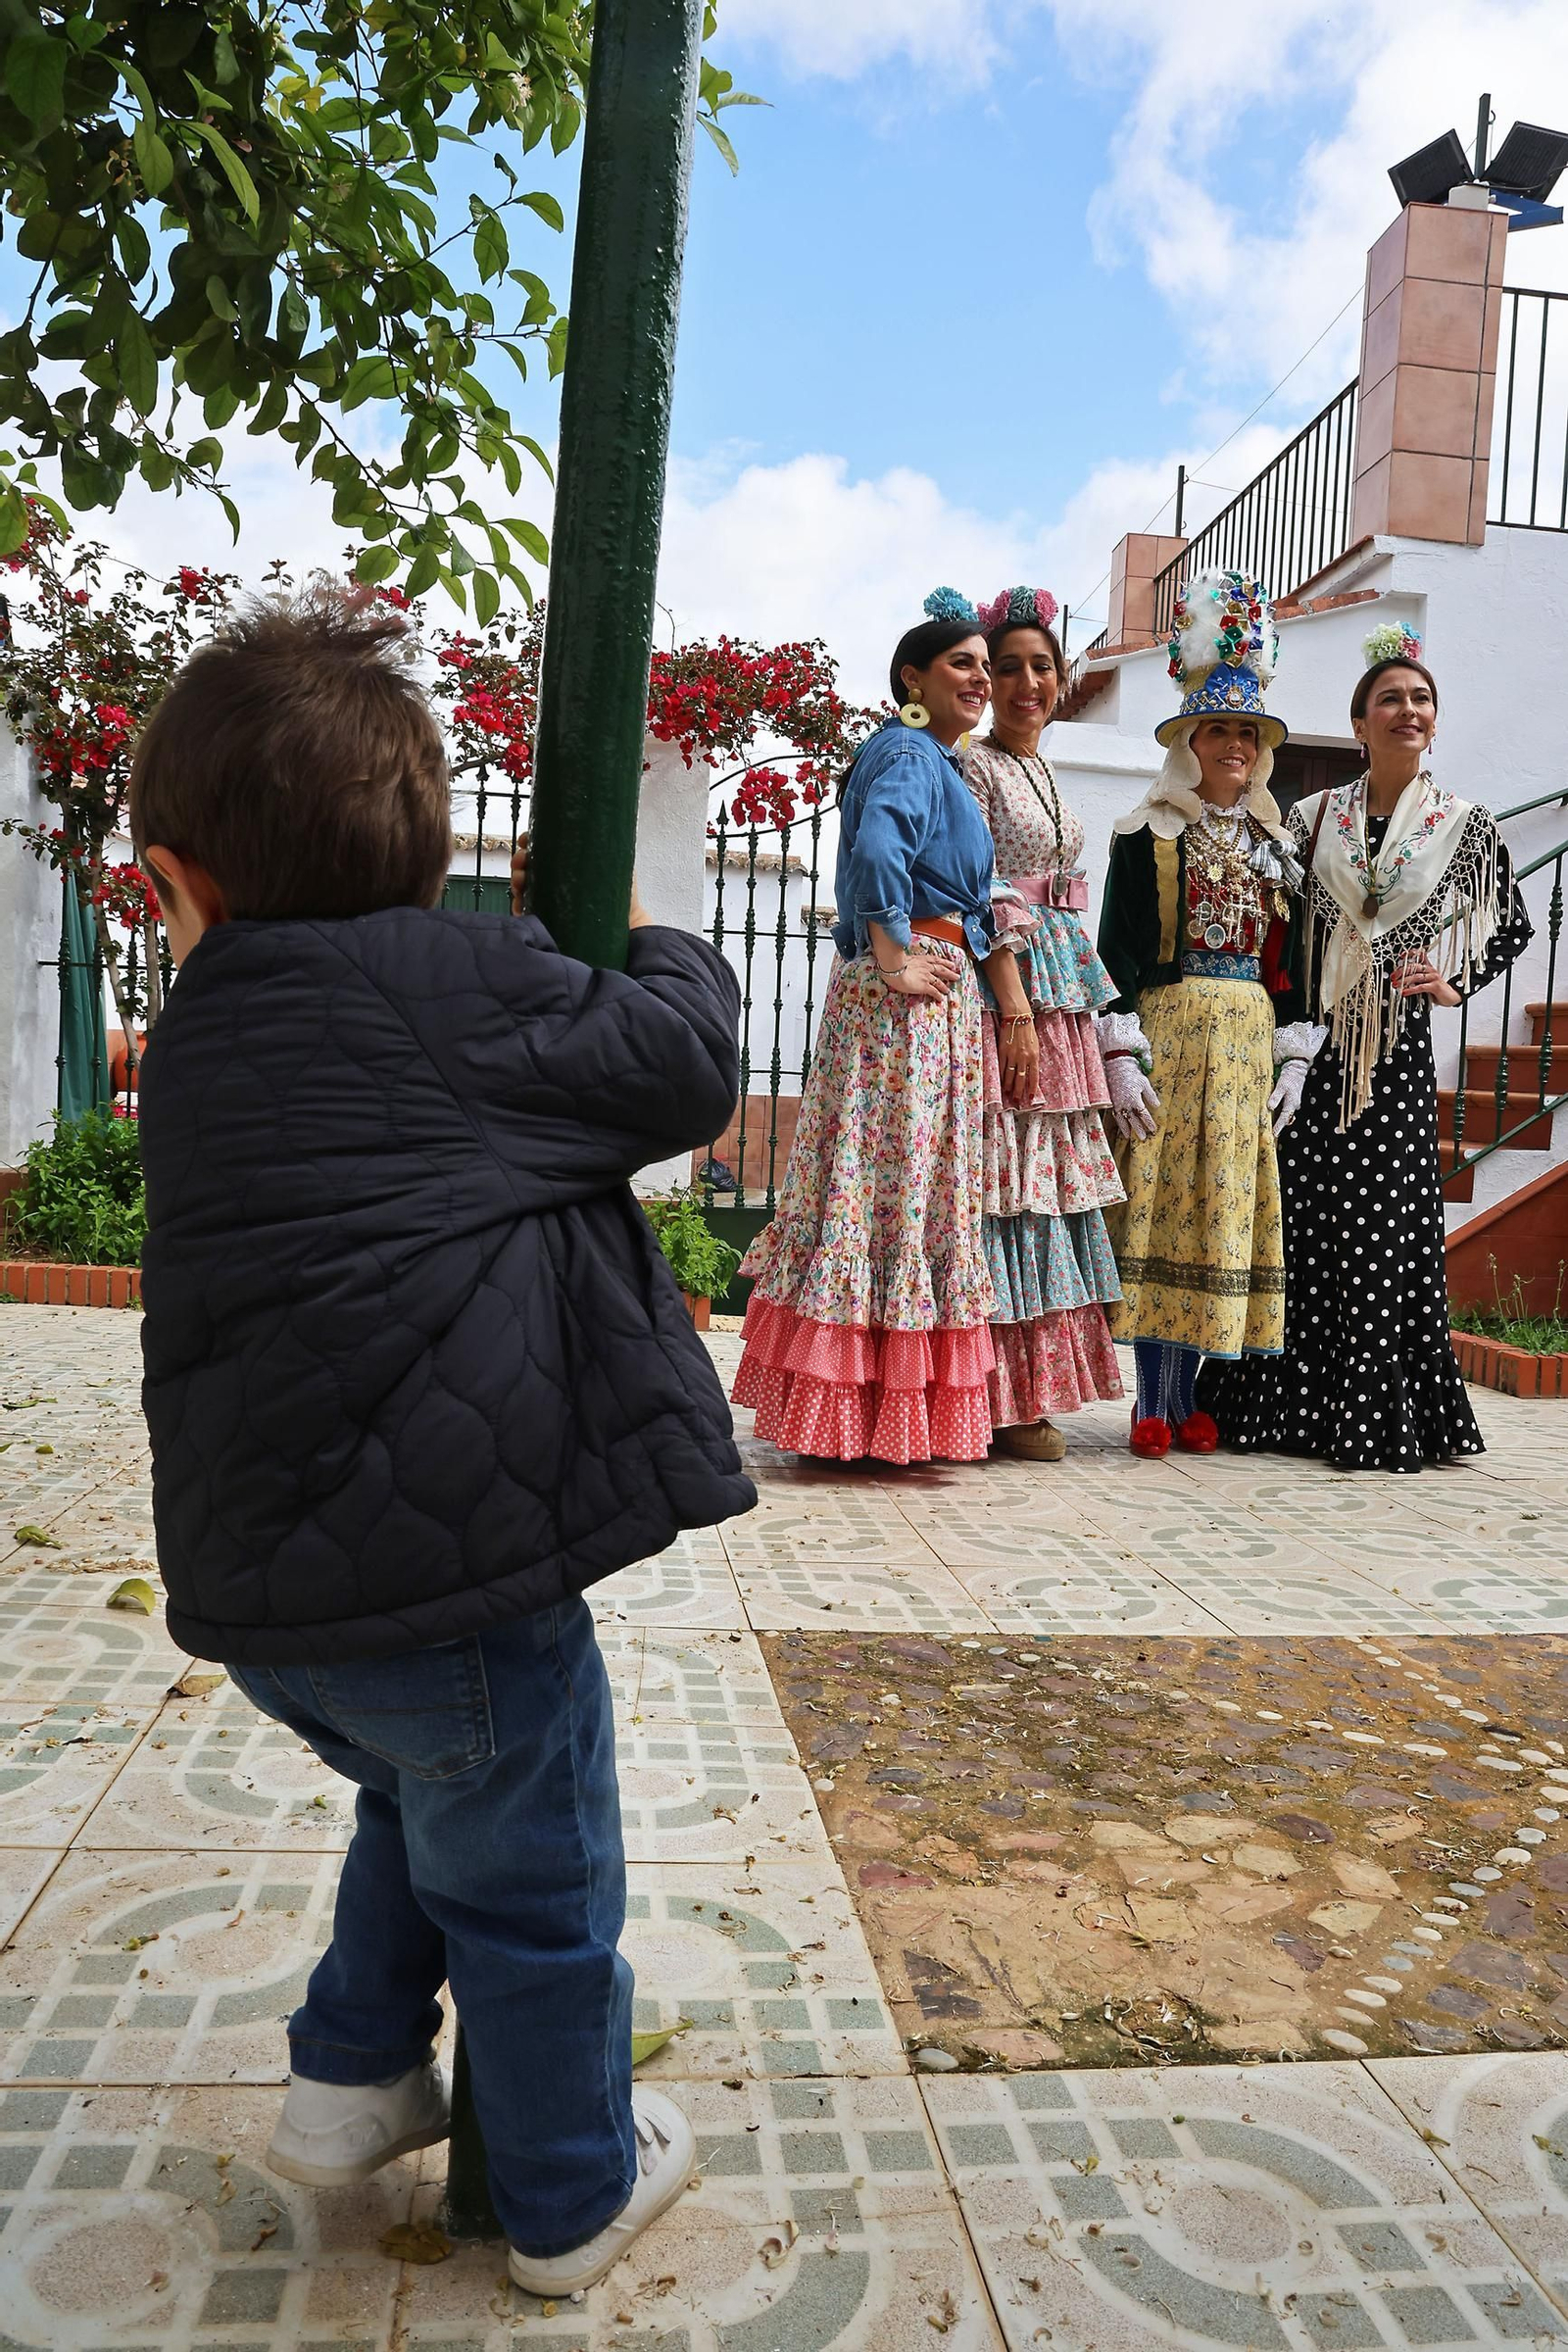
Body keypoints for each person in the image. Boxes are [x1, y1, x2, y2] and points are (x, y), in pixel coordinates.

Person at [128, 592, 755, 2297]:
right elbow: (689, 1070)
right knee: (539, 1877)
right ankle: (565, 2195)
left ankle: (348, 2079)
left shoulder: (194, 1044)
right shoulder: (462, 992)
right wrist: (639, 930)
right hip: (459, 1587)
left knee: (420, 1797)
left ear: (175, 891)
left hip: (269, 1609)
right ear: (423, 870)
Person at [1200, 626, 1532, 1470]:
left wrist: (1453, 979)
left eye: (1421, 700)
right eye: (1390, 698)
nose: (1407, 711)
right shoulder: (1314, 819)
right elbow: (1273, 919)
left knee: (1387, 1228)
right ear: (1359, 722)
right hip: (1316, 1049)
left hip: (1396, 1049)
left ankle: (1380, 1413)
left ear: (1435, 722)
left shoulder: (1462, 824)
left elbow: (1513, 923)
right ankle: (1288, 1407)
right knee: (1307, 1218)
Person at [732, 588, 1022, 1463]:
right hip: (908, 1006)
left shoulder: (936, 758)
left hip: (927, 1000)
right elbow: (878, 850)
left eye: (983, 664)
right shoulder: (907, 752)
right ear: (913, 677)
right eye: (960, 663)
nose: (978, 678)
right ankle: (857, 1419)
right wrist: (896, 955)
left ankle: (866, 1418)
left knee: (897, 1192)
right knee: (888, 1187)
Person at [1097, 568, 1324, 1457]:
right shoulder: (1142, 834)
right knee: (1166, 1208)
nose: (1232, 743)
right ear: (1189, 736)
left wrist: (1296, 1054)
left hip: (1246, 1047)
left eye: (1246, 731)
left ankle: (1193, 1400)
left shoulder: (1280, 848)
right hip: (1171, 1035)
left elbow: (1295, 969)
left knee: (1220, 1214)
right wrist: (1120, 1051)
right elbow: (1111, 952)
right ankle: (1150, 1402)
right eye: (1217, 727)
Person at [963, 585, 1123, 1460]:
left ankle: (1034, 1389)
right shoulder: (974, 766)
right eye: (1010, 667)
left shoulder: (1049, 769)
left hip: (1060, 984)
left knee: (1046, 1186)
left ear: (1063, 678)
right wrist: (1014, 1003)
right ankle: (990, 1395)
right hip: (1010, 989)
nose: (1029, 682)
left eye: (1043, 666)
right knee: (1003, 1180)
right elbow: (974, 882)